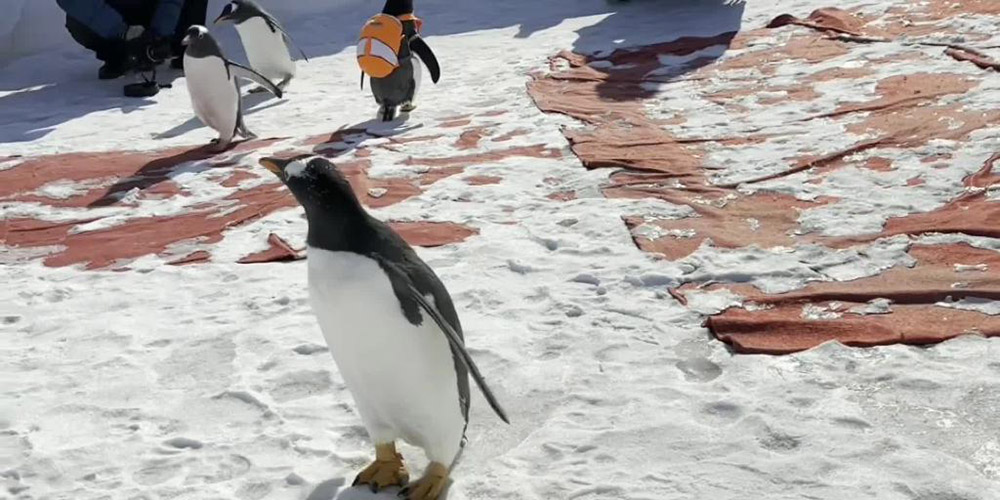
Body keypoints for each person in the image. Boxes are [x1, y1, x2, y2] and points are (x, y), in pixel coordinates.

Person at [56, 0, 209, 80]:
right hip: (114, 17)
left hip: (154, 14)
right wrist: (124, 32)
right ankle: (120, 57)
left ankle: (180, 51)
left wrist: (159, 34)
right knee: (77, 21)